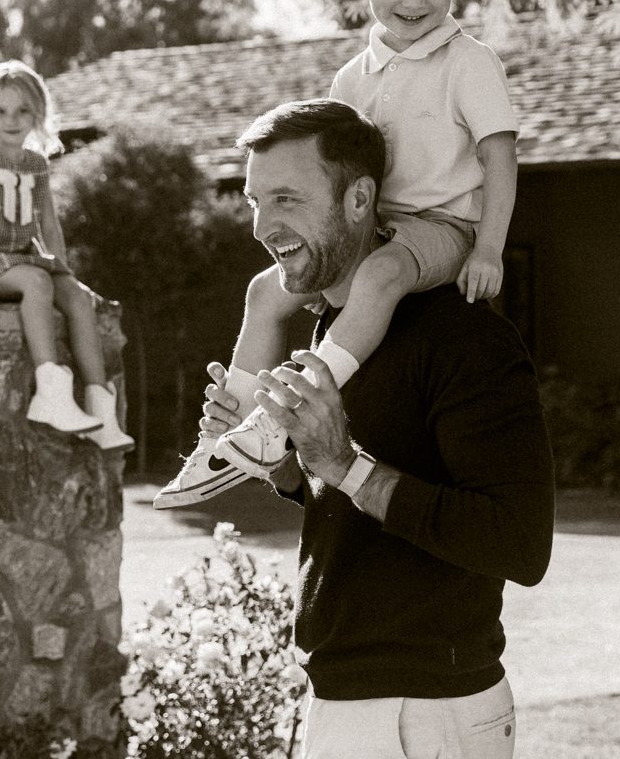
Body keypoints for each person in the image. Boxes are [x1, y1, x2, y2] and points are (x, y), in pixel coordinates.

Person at [155, 0, 519, 507]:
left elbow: (500, 157)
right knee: (265, 289)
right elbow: (332, 180)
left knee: (379, 275)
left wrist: (488, 248)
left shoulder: (470, 63)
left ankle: (283, 415)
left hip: (442, 229)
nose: (414, 1)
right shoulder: (351, 79)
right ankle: (225, 439)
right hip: (370, 229)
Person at [203, 99, 552, 758]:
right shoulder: (331, 332)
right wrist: (284, 463)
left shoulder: (465, 338)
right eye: (255, 201)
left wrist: (343, 462)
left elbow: (519, 544)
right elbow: (341, 501)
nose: (263, 225)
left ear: (359, 199)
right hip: (344, 697)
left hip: (428, 710)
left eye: (286, 199)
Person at [0, 61, 132, 452]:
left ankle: (101, 411)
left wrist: (64, 274)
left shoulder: (36, 164)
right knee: (36, 282)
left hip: (18, 257)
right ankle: (50, 395)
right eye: (0, 111)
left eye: (23, 111)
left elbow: (49, 226)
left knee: (77, 297)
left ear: (38, 113)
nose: (11, 120)